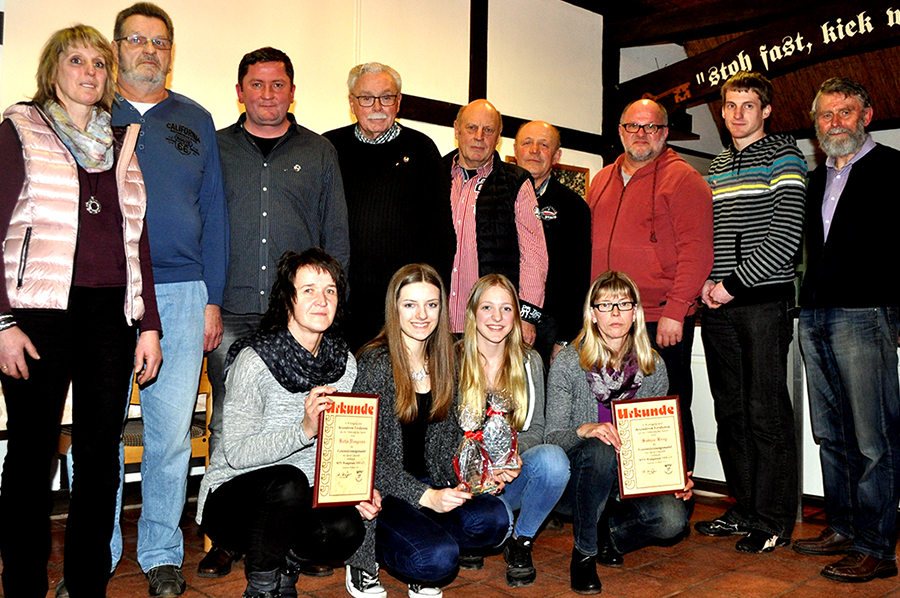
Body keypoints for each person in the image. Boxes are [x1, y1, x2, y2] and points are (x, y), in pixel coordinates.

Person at [0, 24, 161, 598]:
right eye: (76, 60)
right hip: (36, 312)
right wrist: (2, 322)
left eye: (98, 62)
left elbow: (137, 238)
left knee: (100, 453)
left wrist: (148, 326)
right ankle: (21, 584)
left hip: (109, 315)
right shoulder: (20, 128)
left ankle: (87, 581)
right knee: (31, 451)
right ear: (53, 69)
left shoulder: (122, 142)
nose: (90, 71)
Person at [202, 46, 350, 577]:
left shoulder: (319, 151)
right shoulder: (215, 147)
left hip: (300, 313)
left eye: (278, 84)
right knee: (229, 422)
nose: (268, 94)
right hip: (235, 309)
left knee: (304, 421)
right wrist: (207, 301)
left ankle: (290, 529)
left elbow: (335, 233)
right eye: (257, 84)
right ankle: (227, 536)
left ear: (292, 89)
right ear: (240, 91)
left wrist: (334, 302)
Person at [110, 4, 229, 594]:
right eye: (136, 40)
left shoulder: (196, 118)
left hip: (184, 292)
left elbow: (214, 210)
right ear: (116, 47)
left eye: (160, 42)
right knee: (100, 434)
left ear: (171, 51)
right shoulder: (88, 110)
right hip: (104, 290)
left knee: (171, 434)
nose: (148, 50)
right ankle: (97, 551)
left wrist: (213, 298)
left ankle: (161, 552)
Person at [197, 249, 380, 598]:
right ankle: (262, 587)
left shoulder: (344, 363)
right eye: (308, 289)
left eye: (330, 290)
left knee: (348, 527)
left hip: (298, 499)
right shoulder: (256, 360)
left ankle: (287, 565)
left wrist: (355, 488)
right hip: (233, 500)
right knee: (288, 482)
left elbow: (338, 450)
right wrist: (304, 429)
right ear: (287, 299)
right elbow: (235, 453)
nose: (321, 299)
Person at [792, 78, 900, 583]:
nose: (836, 122)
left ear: (866, 115)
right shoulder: (816, 180)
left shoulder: (893, 170)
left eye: (845, 112)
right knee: (831, 432)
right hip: (814, 315)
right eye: (826, 116)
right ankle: (842, 526)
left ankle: (877, 546)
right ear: (816, 126)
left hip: (865, 316)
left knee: (874, 438)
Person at [350, 264, 511, 598]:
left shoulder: (447, 361)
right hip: (385, 494)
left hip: (435, 484)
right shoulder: (376, 363)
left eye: (432, 304)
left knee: (496, 519)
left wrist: (480, 474)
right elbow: (365, 458)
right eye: (410, 304)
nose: (422, 314)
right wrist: (427, 498)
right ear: (394, 309)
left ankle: (419, 535)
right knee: (437, 560)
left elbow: (456, 440)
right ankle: (369, 557)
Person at [697, 71, 806, 554]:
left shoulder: (785, 156)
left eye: (748, 105)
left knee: (766, 413)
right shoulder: (716, 166)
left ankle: (774, 518)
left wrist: (731, 287)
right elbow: (705, 237)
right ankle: (745, 507)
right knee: (731, 413)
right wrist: (704, 282)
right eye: (730, 105)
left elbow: (785, 239)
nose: (738, 113)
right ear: (721, 112)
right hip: (718, 306)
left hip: (762, 303)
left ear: (766, 111)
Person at [546, 271, 692, 595]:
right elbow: (552, 437)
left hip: (627, 484)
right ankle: (583, 555)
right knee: (601, 447)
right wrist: (584, 430)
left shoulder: (652, 365)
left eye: (624, 304)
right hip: (578, 482)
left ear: (636, 313)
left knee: (673, 518)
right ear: (592, 313)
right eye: (606, 304)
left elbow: (657, 437)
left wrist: (673, 472)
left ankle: (607, 532)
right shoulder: (569, 362)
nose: (615, 313)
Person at [586, 99, 713, 470]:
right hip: (609, 320)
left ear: (665, 132)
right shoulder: (602, 179)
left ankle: (674, 493)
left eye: (651, 127)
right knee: (615, 407)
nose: (641, 134)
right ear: (621, 131)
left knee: (667, 407)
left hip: (660, 319)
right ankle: (623, 494)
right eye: (633, 126)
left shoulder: (684, 179)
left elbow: (698, 251)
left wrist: (676, 311)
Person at [323, 62, 455, 352]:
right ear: (352, 102)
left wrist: (430, 297)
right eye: (366, 98)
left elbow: (442, 234)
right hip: (340, 303)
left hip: (402, 304)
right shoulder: (328, 148)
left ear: (399, 101)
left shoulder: (422, 150)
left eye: (386, 97)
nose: (377, 106)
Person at [458, 274, 570, 586]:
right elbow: (442, 435)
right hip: (462, 480)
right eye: (487, 307)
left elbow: (536, 429)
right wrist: (478, 467)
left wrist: (509, 457)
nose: (497, 318)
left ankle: (520, 542)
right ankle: (475, 532)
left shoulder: (529, 360)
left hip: (510, 475)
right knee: (477, 524)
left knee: (554, 460)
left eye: (507, 309)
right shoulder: (452, 357)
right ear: (472, 312)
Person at [444, 99, 548, 344]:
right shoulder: (434, 175)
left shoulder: (516, 181)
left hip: (492, 326)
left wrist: (527, 316)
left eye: (488, 130)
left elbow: (534, 255)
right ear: (457, 129)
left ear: (498, 136)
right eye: (471, 128)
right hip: (437, 323)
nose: (479, 136)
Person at [513, 121, 591, 367]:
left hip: (550, 328)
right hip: (499, 320)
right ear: (515, 150)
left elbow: (578, 277)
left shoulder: (574, 207)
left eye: (543, 145)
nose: (534, 150)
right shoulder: (496, 196)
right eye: (527, 143)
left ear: (556, 156)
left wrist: (566, 337)